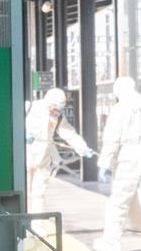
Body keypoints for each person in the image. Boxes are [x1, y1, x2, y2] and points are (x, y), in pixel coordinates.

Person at [93, 77, 141, 251]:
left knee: (119, 201)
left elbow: (112, 138)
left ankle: (110, 243)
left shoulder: (120, 109)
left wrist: (105, 163)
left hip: (129, 155)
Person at [25, 88, 95, 218]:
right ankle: (21, 223)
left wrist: (83, 148)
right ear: (48, 103)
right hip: (25, 157)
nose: (57, 111)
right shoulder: (29, 107)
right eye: (55, 107)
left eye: (60, 108)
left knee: (39, 193)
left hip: (43, 160)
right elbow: (11, 122)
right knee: (23, 192)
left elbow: (70, 134)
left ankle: (36, 224)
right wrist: (21, 133)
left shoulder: (58, 117)